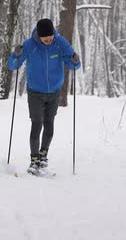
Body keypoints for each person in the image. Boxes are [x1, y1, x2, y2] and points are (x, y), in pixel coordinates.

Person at [7, 18, 81, 175]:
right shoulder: (30, 45)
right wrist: (16, 54)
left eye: (50, 37)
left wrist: (75, 60)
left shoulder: (60, 43)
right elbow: (13, 65)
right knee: (37, 123)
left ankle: (43, 156)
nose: (49, 40)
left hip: (54, 92)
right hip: (35, 92)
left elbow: (74, 65)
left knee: (49, 124)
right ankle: (34, 160)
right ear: (39, 36)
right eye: (45, 38)